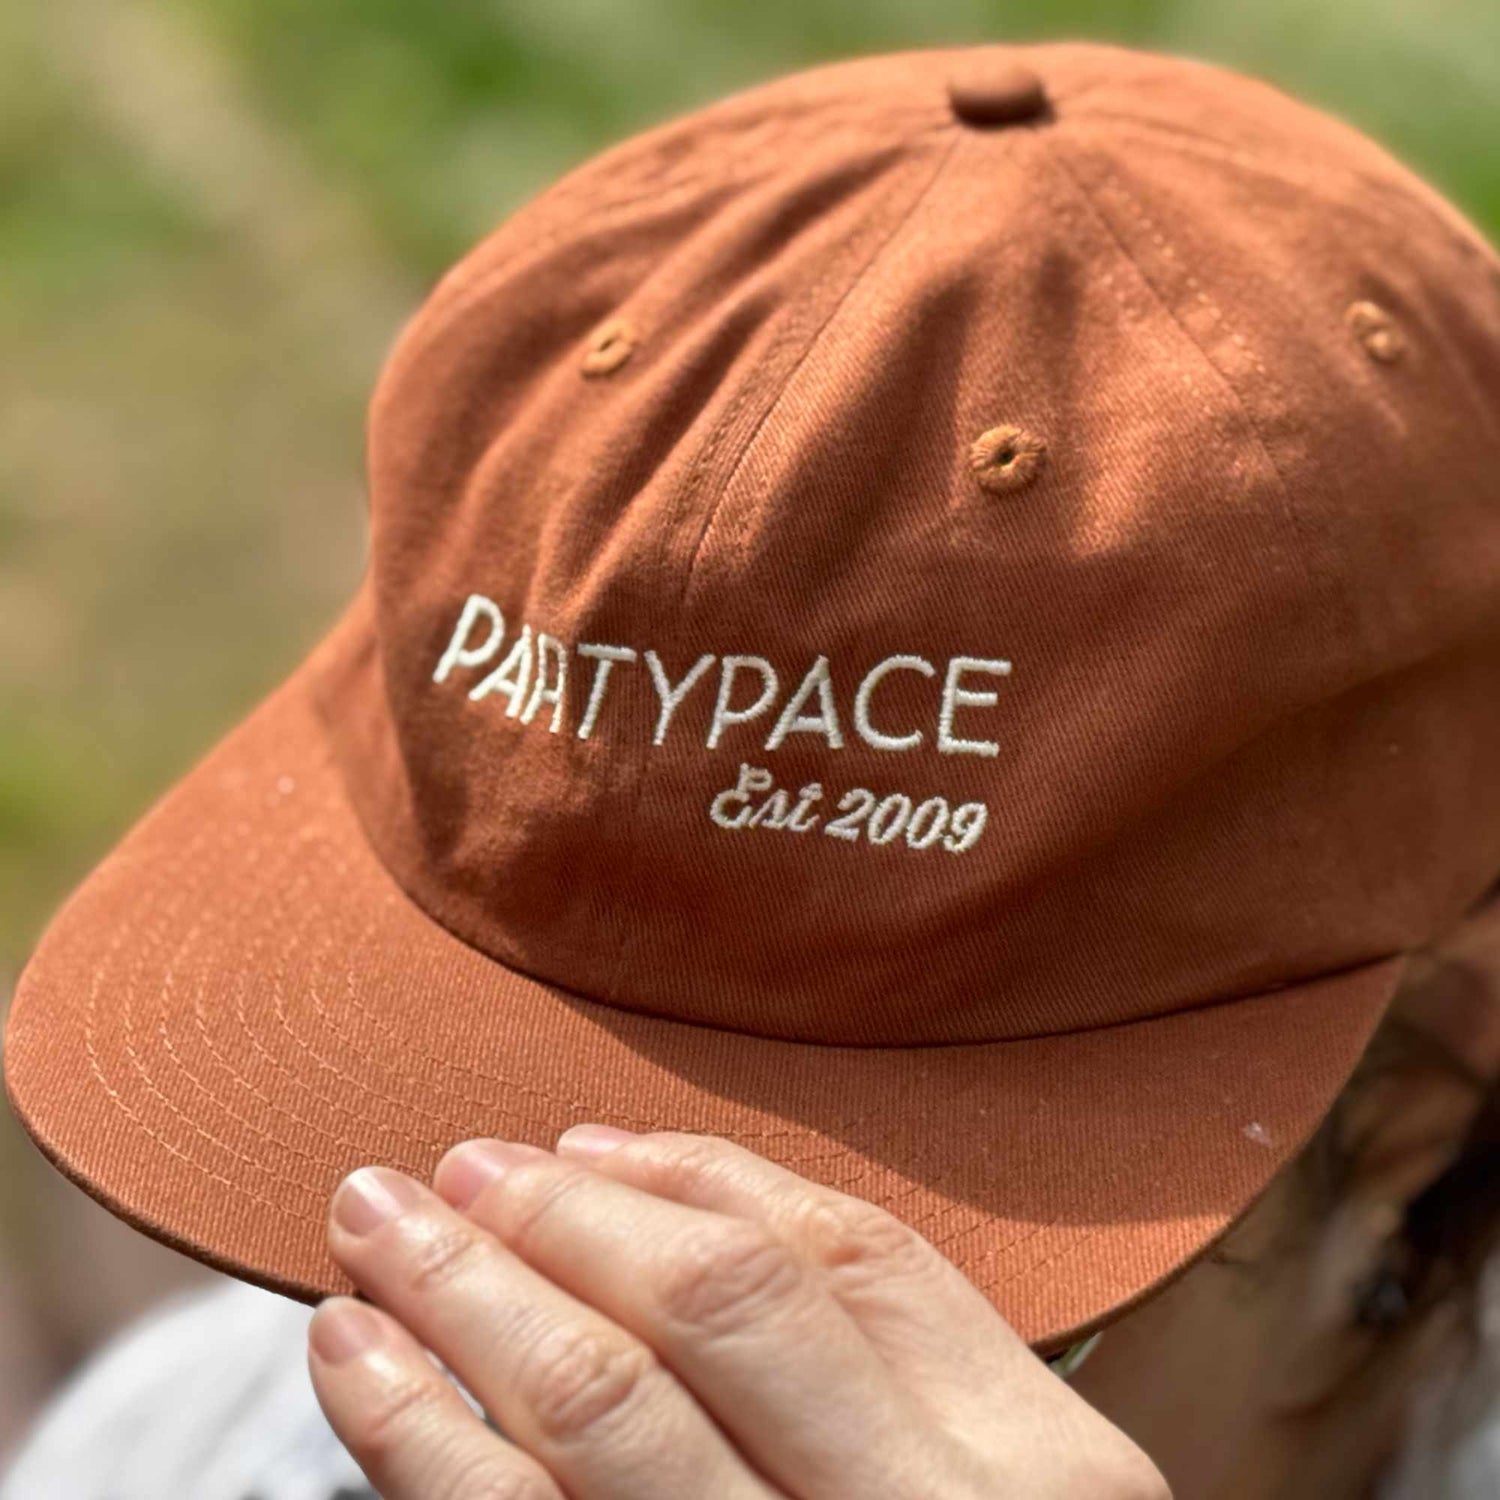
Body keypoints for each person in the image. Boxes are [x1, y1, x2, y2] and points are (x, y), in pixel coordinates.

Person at [5, 40, 1500, 1499]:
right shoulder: (180, 1449)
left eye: (843, 1332)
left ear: (1415, 1117)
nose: (547, 1387)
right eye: (449, 1233)